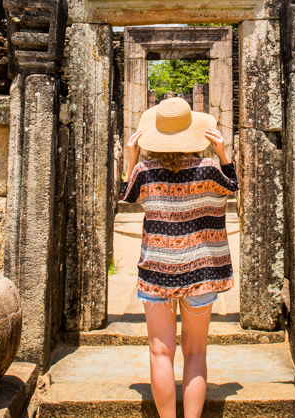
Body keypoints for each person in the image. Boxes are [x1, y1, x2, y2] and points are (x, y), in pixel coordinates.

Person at [120, 97, 239, 418]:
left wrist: (130, 160)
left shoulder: (144, 172)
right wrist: (223, 153)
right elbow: (233, 186)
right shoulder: (210, 169)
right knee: (196, 352)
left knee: (160, 353)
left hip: (156, 272)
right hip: (201, 273)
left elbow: (126, 195)